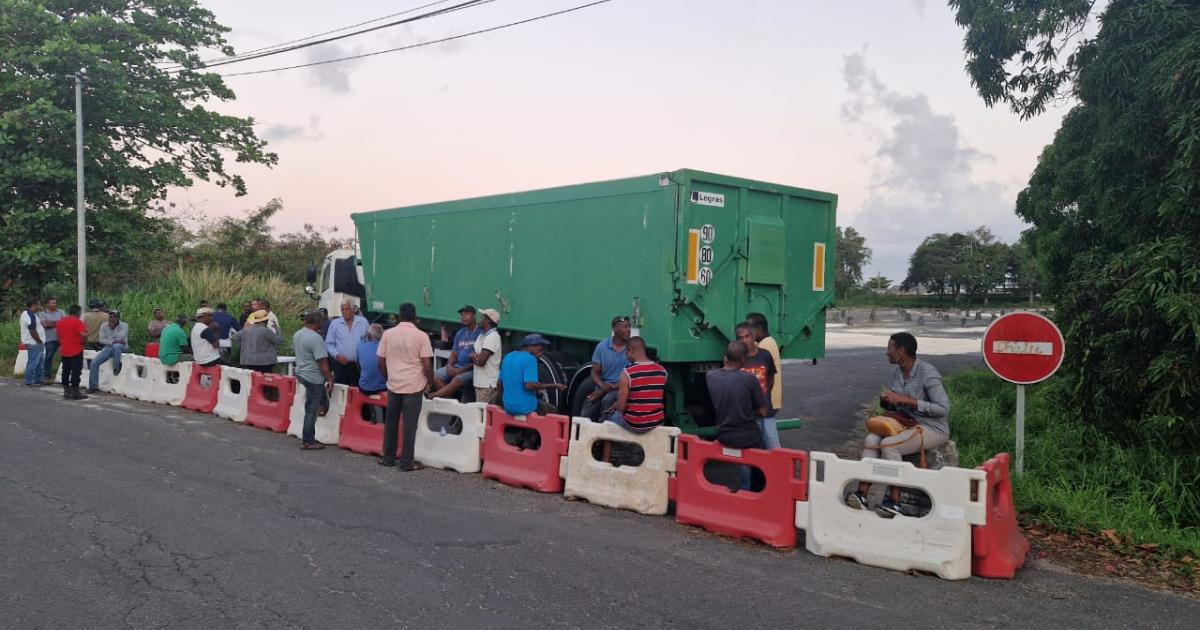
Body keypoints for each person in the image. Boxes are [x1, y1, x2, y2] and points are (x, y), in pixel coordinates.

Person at [847, 332, 951, 518]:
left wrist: (909, 401)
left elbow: (943, 409)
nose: (887, 353)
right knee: (871, 439)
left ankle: (895, 501)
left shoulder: (928, 373)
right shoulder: (896, 373)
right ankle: (862, 494)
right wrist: (887, 400)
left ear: (901, 351)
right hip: (905, 422)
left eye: (890, 348)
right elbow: (897, 403)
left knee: (889, 446)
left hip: (932, 428)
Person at [377, 303, 434, 471]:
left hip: (394, 385)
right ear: (415, 316)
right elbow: (427, 365)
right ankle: (406, 461)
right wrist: (429, 382)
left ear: (398, 316)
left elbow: (380, 361)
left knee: (391, 423)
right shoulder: (421, 336)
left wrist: (389, 377)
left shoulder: (388, 334)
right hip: (414, 386)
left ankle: (388, 457)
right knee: (409, 426)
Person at [604, 336, 667, 433]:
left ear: (631, 350)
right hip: (657, 422)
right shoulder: (662, 371)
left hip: (635, 424)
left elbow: (621, 406)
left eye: (626, 352)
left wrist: (614, 406)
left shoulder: (627, 373)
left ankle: (607, 447)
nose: (626, 356)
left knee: (609, 421)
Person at [293, 310, 335, 450]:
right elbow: (322, 362)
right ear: (318, 322)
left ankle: (321, 405)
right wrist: (329, 378)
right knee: (312, 409)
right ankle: (308, 440)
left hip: (301, 373)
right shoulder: (316, 339)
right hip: (313, 377)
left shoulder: (298, 334)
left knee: (312, 404)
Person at [498, 333, 566, 417]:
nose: (541, 354)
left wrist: (502, 402)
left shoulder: (508, 356)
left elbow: (499, 384)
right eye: (540, 350)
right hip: (525, 407)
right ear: (531, 346)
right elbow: (529, 385)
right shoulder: (530, 359)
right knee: (553, 411)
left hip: (508, 406)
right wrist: (554, 385)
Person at [734, 321, 778, 450]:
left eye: (747, 336)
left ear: (754, 337)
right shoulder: (736, 358)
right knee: (747, 454)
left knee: (773, 449)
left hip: (766, 413)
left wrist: (764, 397)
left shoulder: (765, 355)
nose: (744, 340)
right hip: (745, 416)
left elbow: (770, 378)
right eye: (740, 338)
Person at [581, 315, 633, 420]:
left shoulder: (631, 349)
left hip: (620, 387)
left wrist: (611, 387)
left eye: (629, 326)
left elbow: (631, 376)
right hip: (603, 386)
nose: (629, 330)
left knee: (607, 401)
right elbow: (594, 371)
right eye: (625, 327)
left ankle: (604, 428)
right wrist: (602, 385)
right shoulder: (602, 346)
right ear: (614, 329)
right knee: (587, 406)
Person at [746, 312, 783, 449]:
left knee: (769, 438)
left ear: (759, 328)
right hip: (769, 400)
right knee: (764, 437)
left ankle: (776, 464)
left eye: (750, 329)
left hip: (767, 401)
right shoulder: (769, 341)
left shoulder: (764, 346)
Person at [430, 305, 482, 399]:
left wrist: (460, 371)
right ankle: (451, 400)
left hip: (472, 369)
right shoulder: (460, 333)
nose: (463, 317)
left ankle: (431, 396)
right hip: (456, 366)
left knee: (457, 379)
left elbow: (478, 359)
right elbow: (454, 354)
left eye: (466, 314)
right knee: (434, 376)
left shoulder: (480, 332)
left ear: (474, 315)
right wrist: (449, 366)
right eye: (462, 315)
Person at [325, 300, 368, 386]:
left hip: (359, 365)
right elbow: (329, 343)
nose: (344, 312)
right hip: (341, 364)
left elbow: (368, 340)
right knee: (341, 390)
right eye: (342, 309)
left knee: (358, 389)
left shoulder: (363, 322)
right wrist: (336, 355)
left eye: (347, 309)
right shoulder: (335, 324)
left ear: (353, 310)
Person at [87, 311, 129, 394]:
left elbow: (122, 336)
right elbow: (101, 340)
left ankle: (116, 367)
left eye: (114, 317)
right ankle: (93, 386)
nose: (112, 319)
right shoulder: (104, 325)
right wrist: (113, 341)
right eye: (111, 317)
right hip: (109, 346)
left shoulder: (124, 325)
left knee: (117, 346)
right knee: (94, 363)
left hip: (122, 347)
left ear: (118, 318)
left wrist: (112, 334)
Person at [470, 308, 503, 404]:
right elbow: (476, 355)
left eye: (482, 318)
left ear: (488, 321)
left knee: (482, 414)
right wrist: (475, 356)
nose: (479, 320)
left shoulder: (492, 337)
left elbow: (480, 362)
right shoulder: (482, 336)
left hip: (487, 384)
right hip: (480, 382)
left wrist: (472, 357)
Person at [356, 324, 388, 423]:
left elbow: (358, 365)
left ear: (369, 335)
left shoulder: (361, 345)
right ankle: (386, 421)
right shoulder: (385, 347)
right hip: (383, 387)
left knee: (363, 382)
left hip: (365, 387)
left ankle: (369, 417)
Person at [56, 305, 88, 400]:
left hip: (64, 350)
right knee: (76, 371)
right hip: (76, 350)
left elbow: (58, 336)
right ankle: (75, 391)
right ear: (78, 312)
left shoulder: (60, 322)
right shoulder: (78, 322)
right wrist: (84, 341)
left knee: (65, 370)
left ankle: (66, 391)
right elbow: (83, 334)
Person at [19, 298, 46, 387]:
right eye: (38, 305)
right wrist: (38, 341)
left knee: (39, 362)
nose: (39, 306)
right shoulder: (29, 315)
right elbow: (32, 330)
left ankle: (38, 379)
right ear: (33, 305)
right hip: (33, 342)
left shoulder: (27, 314)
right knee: (33, 362)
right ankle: (29, 380)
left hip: (34, 342)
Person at [38, 297, 63, 383]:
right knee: (48, 357)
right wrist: (59, 322)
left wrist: (52, 322)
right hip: (49, 339)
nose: (55, 304)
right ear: (47, 304)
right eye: (52, 303)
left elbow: (65, 322)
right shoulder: (42, 313)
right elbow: (45, 325)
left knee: (66, 356)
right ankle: (47, 375)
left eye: (55, 302)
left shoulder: (60, 311)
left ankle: (63, 375)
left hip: (61, 338)